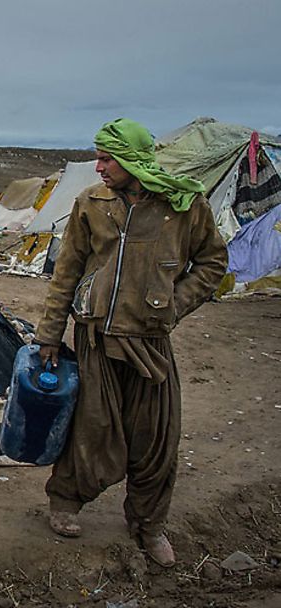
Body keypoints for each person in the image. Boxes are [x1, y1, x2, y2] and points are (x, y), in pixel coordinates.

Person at [34, 118, 227, 567]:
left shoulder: (183, 205)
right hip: (96, 337)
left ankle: (149, 524)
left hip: (151, 340)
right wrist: (49, 334)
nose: (99, 167)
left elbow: (213, 262)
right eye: (98, 157)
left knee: (157, 437)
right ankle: (65, 502)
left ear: (132, 160)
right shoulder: (91, 204)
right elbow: (66, 274)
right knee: (91, 427)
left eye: (107, 159)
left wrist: (175, 304)